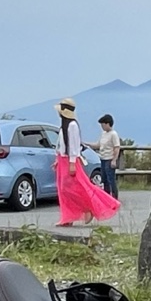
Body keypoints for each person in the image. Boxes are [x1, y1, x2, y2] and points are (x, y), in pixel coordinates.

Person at [53, 97, 120, 227]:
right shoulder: (64, 126)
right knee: (63, 189)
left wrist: (72, 161)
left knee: (76, 186)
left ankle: (88, 207)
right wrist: (58, 159)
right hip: (63, 159)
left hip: (70, 160)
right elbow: (61, 144)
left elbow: (73, 144)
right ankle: (68, 216)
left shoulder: (72, 126)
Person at [94, 114, 121, 198]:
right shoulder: (103, 134)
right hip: (103, 158)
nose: (102, 127)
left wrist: (114, 160)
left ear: (107, 124)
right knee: (104, 180)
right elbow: (98, 145)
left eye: (103, 124)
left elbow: (116, 147)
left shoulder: (113, 134)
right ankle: (106, 197)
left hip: (109, 159)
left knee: (111, 180)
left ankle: (114, 197)